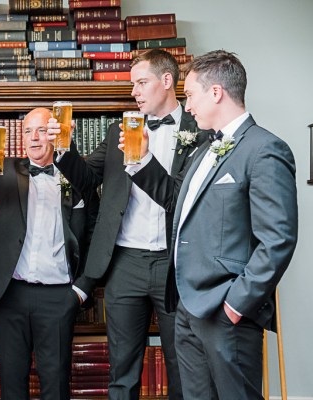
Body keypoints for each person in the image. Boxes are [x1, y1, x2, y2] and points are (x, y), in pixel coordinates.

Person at [48, 49, 209, 400]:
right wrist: (63, 148)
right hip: (125, 264)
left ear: (167, 81)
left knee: (183, 363)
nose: (134, 91)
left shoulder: (200, 130)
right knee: (122, 369)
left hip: (176, 264)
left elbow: (185, 198)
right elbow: (87, 178)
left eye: (141, 82)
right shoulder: (118, 130)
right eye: (131, 84)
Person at [168, 50, 298, 399]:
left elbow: (278, 239)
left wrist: (235, 306)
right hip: (187, 310)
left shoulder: (266, 149)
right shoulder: (200, 152)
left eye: (190, 94)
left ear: (216, 93)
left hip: (226, 313)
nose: (187, 105)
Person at [0, 108, 98, 400]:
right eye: (27, 131)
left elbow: (93, 233)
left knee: (56, 384)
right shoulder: (4, 168)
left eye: (42, 131)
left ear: (55, 134)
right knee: (11, 383)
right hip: (9, 294)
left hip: (59, 296)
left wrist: (81, 291)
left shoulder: (77, 176)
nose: (34, 138)